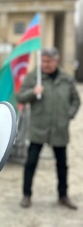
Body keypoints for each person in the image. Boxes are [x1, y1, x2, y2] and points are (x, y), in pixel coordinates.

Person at [17, 46, 80, 209]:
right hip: (38, 128)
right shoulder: (34, 77)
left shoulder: (66, 78)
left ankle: (63, 195)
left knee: (62, 164)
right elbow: (20, 97)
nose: (46, 64)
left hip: (59, 129)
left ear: (56, 61)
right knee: (31, 162)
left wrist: (68, 115)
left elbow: (75, 100)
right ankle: (26, 194)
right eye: (43, 61)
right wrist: (33, 92)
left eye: (49, 61)